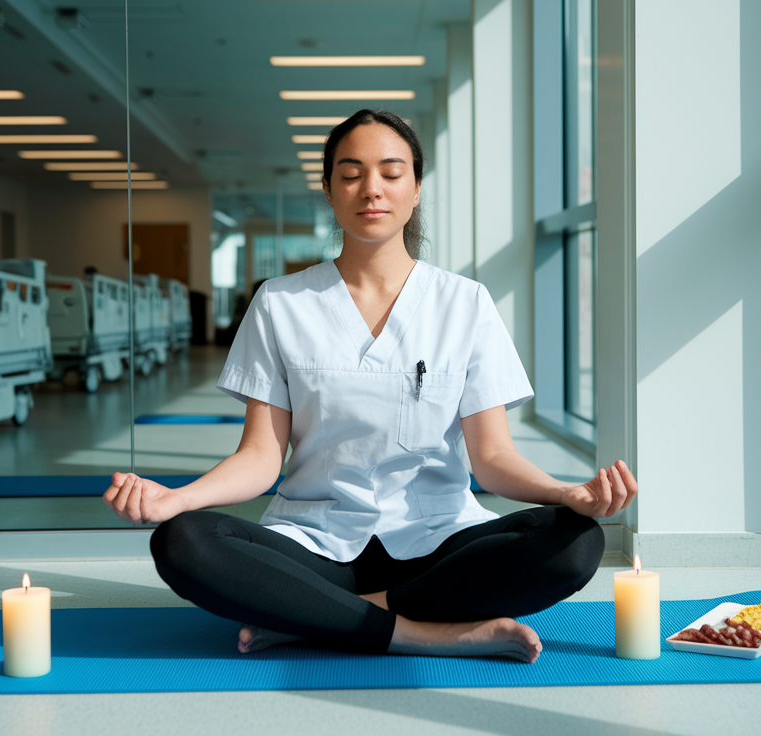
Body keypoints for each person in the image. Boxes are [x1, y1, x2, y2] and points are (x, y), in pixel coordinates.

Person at [105, 109, 637, 663]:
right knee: (182, 541)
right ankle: (421, 631)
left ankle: (315, 616)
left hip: (438, 540)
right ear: (330, 192)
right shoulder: (279, 302)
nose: (371, 189)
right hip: (314, 540)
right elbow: (261, 458)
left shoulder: (465, 303)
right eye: (351, 173)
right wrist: (176, 501)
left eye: (391, 171)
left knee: (577, 542)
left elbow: (493, 457)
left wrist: (565, 494)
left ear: (415, 190)